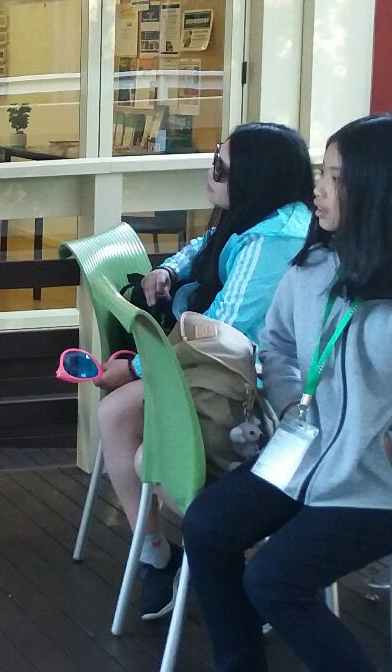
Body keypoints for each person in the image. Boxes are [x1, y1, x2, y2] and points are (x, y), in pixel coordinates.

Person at [181, 112, 392, 672]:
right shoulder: (315, 264)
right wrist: (290, 398)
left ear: (385, 189)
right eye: (325, 171)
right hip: (306, 453)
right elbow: (274, 343)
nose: (318, 188)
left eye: (337, 177)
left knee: (274, 580)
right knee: (207, 525)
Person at [93, 122, 314, 620]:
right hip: (216, 370)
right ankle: (156, 556)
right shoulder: (258, 215)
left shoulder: (274, 241)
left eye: (220, 166)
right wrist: (169, 269)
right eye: (215, 157)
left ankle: (241, 566)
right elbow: (206, 244)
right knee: (115, 416)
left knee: (152, 456)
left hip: (255, 389)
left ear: (255, 178)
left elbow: (217, 332)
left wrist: (137, 368)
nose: (210, 171)